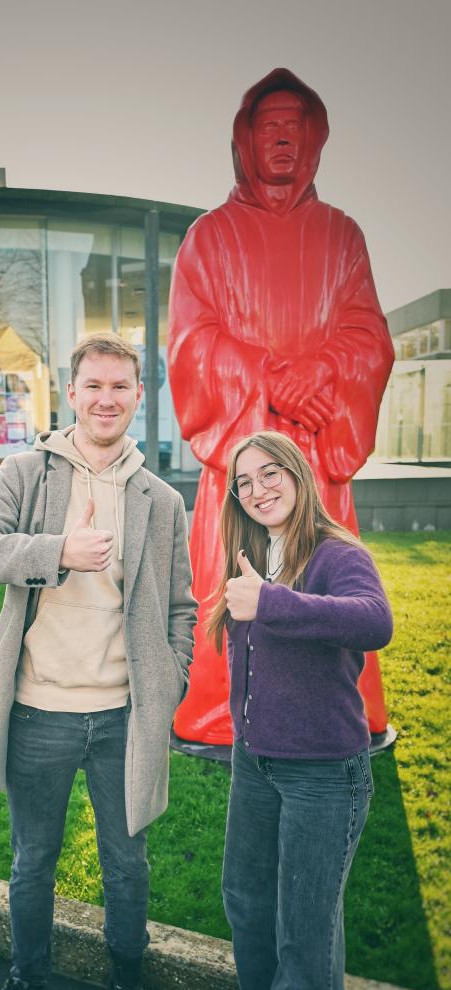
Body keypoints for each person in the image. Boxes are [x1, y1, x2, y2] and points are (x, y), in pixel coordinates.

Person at [0, 331, 197, 990]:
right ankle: (27, 982)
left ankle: (128, 988)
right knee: (33, 862)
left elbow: (181, 607)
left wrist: (171, 680)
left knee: (128, 865)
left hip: (124, 717)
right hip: (39, 714)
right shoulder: (27, 473)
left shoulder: (160, 500)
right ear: (71, 392)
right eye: (94, 385)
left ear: (139, 395)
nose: (106, 399)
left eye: (120, 386)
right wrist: (57, 549)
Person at [168, 67, 394, 749]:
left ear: (315, 138)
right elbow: (190, 342)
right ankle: (223, 708)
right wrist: (269, 376)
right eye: (271, 125)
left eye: (296, 125)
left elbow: (369, 337)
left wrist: (320, 372)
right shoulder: (208, 237)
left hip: (314, 453)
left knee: (326, 574)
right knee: (231, 576)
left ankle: (336, 706)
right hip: (239, 458)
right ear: (246, 138)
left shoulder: (341, 235)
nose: (284, 137)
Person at [205, 429, 393, 990]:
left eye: (270, 473)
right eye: (244, 481)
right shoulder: (254, 556)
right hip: (256, 765)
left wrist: (271, 603)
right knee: (248, 909)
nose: (258, 489)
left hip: (322, 774)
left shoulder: (336, 553)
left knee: (303, 939)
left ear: (298, 474)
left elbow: (375, 621)